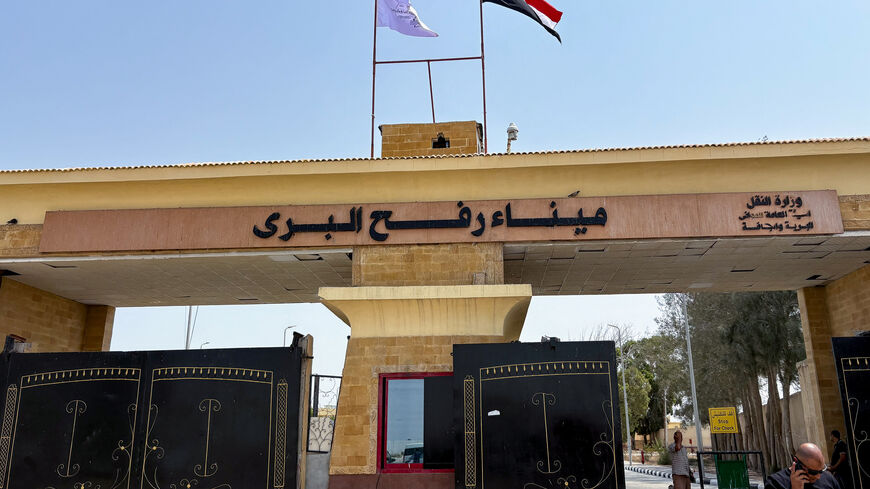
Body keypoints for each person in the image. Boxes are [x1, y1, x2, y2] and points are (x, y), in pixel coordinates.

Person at [764, 443, 841, 489]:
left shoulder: (828, 478)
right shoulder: (775, 483)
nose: (818, 476)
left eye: (821, 470)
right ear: (796, 463)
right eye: (813, 472)